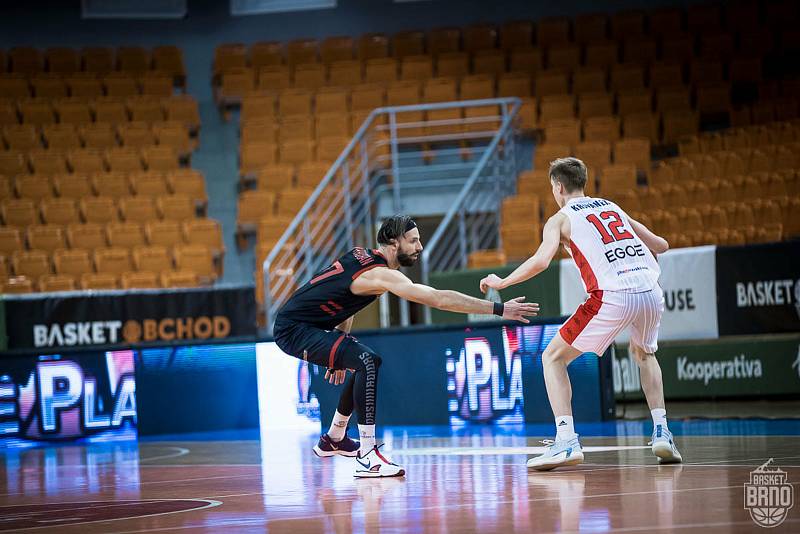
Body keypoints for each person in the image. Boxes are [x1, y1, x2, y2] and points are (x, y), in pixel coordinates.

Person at [274, 215, 539, 478]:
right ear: (393, 243)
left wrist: (338, 343)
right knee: (367, 361)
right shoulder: (380, 274)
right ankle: (368, 456)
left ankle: (334, 437)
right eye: (413, 241)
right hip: (294, 330)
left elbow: (346, 303)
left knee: (363, 362)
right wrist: (499, 308)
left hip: (309, 327)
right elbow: (438, 299)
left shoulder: (360, 256)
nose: (419, 247)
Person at [480, 157, 683, 471]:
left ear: (558, 187)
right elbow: (662, 244)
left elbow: (540, 261)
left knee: (552, 357)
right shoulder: (611, 206)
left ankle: (566, 440)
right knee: (644, 354)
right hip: (650, 289)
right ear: (582, 182)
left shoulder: (560, 219)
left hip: (612, 295)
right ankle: (662, 431)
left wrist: (502, 281)